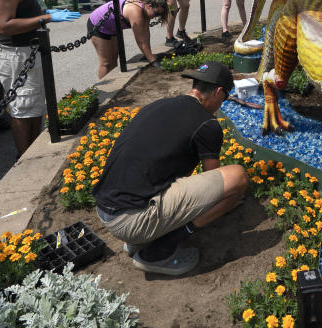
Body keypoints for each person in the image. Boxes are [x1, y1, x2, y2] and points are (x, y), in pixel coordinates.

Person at [92, 62, 248, 275]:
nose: (222, 103)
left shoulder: (158, 105)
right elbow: (213, 180)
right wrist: (228, 202)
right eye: (225, 98)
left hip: (105, 209)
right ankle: (161, 248)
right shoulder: (207, 124)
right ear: (219, 91)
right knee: (236, 178)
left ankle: (142, 237)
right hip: (130, 221)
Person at [0, 0, 80, 156]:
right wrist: (46, 18)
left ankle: (33, 151)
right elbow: (4, 25)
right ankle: (25, 158)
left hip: (27, 51)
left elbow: (23, 13)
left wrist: (45, 13)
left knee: (34, 105)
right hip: (15, 55)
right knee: (22, 107)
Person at [87, 0, 169, 78]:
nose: (155, 17)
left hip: (113, 28)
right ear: (149, 6)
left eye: (159, 15)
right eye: (156, 13)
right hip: (98, 25)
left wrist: (148, 55)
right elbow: (140, 40)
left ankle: (114, 83)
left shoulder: (145, 11)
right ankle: (103, 88)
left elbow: (146, 34)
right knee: (106, 62)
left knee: (114, 59)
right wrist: (152, 60)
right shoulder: (135, 11)